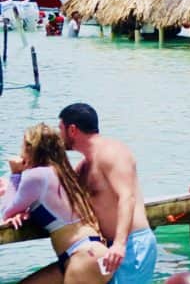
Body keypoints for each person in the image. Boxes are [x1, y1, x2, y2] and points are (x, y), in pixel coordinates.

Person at [1, 123, 113, 283]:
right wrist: (24, 212)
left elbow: (6, 212)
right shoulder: (63, 173)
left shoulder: (35, 176)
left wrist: (15, 174)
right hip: (86, 253)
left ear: (30, 148)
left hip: (83, 256)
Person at [58, 103, 157, 283]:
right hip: (106, 248)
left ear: (72, 129)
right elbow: (58, 194)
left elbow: (126, 197)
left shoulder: (112, 152)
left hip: (130, 244)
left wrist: (119, 244)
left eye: (60, 129)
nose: (59, 136)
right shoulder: (84, 166)